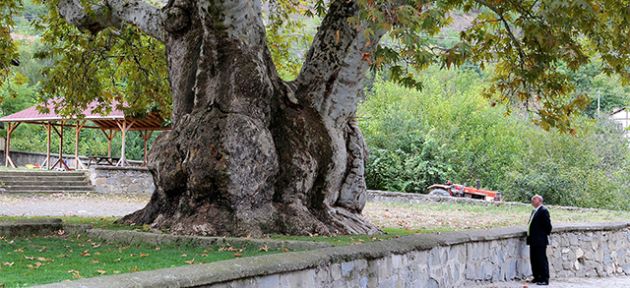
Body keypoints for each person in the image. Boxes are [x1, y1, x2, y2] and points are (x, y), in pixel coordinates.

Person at [527, 194, 552, 286]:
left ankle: (544, 279)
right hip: (533, 239)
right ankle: (536, 276)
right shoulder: (534, 211)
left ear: (539, 201)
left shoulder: (543, 211)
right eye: (532, 199)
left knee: (541, 259)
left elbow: (548, 226)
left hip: (540, 240)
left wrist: (541, 235)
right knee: (534, 259)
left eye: (534, 199)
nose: (532, 200)